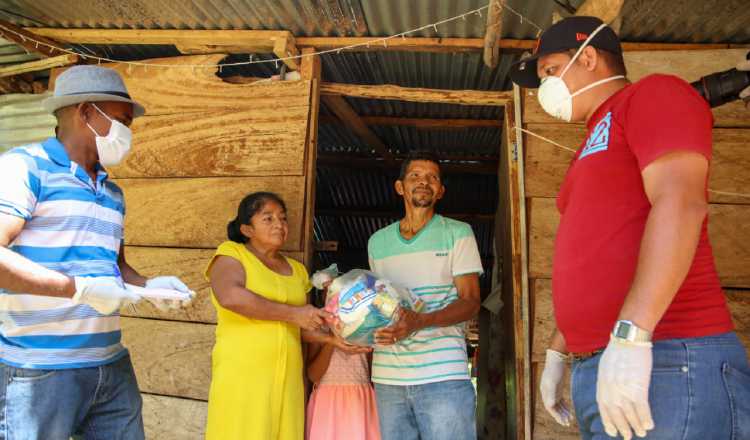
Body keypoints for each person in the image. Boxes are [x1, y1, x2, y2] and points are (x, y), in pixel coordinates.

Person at [509, 16, 750, 440]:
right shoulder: (589, 145)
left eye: (549, 70)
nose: (544, 85)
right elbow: (595, 255)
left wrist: (632, 335)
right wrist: (558, 350)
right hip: (610, 366)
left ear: (586, 58)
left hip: (670, 360)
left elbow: (681, 202)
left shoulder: (652, 94)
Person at [0, 65, 194, 440]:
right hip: (39, 369)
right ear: (86, 112)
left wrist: (152, 287)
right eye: (122, 120)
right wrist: (79, 290)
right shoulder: (23, 169)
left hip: (110, 364)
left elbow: (114, 268)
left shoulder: (112, 194)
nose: (128, 132)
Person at [204, 191, 368, 440]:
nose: (279, 224)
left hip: (289, 378)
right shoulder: (231, 255)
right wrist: (295, 313)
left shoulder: (297, 271)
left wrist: (330, 339)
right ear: (247, 229)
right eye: (268, 219)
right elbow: (230, 297)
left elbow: (301, 325)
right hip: (245, 374)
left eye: (282, 218)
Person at [367, 153, 483, 440]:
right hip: (388, 379)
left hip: (443, 376)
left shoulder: (458, 233)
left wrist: (420, 321)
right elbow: (381, 304)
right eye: (415, 176)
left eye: (433, 177)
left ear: (441, 191)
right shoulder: (377, 242)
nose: (424, 182)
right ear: (400, 187)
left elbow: (470, 302)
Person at [306, 338, 381, 439]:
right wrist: (332, 341)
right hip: (327, 406)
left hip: (359, 403)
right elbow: (313, 376)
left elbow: (374, 374)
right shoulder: (320, 331)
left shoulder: (365, 329)